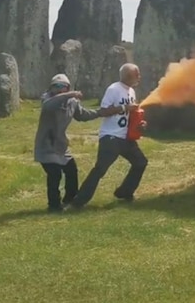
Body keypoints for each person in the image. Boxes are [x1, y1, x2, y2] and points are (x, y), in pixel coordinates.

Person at [34, 74, 125, 213]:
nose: (59, 89)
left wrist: (102, 112)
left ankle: (70, 199)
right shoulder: (47, 99)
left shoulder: (72, 102)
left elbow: (83, 115)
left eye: (62, 86)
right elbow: (49, 105)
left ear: (67, 87)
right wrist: (70, 94)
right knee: (54, 174)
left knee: (71, 170)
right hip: (46, 145)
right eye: (56, 86)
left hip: (61, 145)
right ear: (51, 88)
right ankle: (53, 205)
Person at [70, 63, 147, 209]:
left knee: (141, 162)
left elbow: (130, 115)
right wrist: (124, 107)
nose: (139, 77)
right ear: (128, 75)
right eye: (137, 74)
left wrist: (140, 123)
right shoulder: (114, 89)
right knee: (100, 170)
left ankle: (124, 192)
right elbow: (103, 111)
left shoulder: (131, 91)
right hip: (111, 137)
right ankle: (78, 202)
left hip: (125, 138)